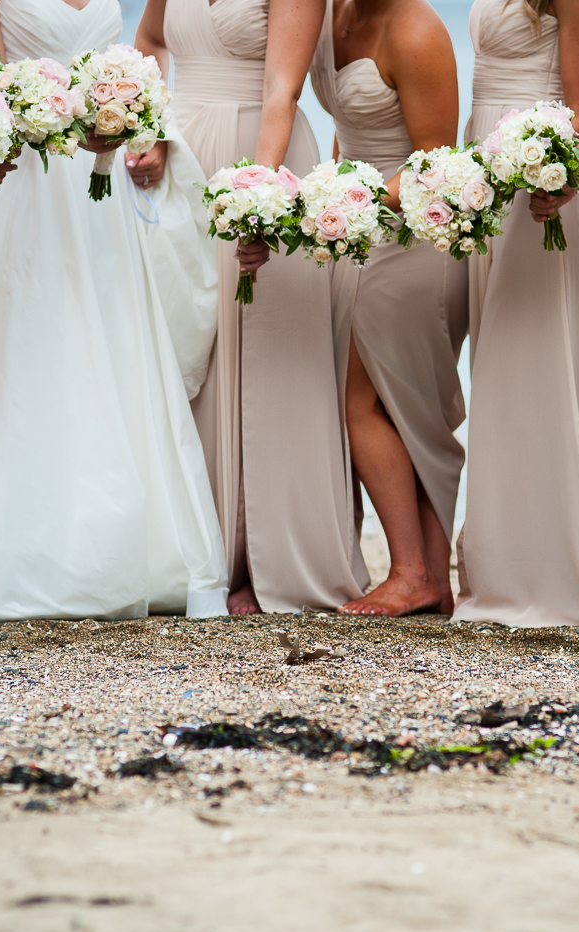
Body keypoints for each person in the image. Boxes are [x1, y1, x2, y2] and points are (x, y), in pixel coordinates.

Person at [0, 0, 229, 623]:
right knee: (30, 347)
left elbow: (134, 63)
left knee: (111, 344)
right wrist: (71, 127)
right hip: (20, 183)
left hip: (100, 189)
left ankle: (122, 545)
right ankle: (22, 553)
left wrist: (144, 129)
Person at [137, 0, 369, 615]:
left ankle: (261, 561)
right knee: (189, 346)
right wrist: (151, 129)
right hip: (181, 161)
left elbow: (281, 91)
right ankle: (196, 550)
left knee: (267, 361)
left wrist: (256, 196)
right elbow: (148, 43)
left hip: (260, 152)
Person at [453, 0, 579, 631]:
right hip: (489, 183)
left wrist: (559, 177)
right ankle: (506, 556)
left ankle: (550, 569)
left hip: (543, 191)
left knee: (535, 368)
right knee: (503, 374)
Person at [308, 0, 467, 617]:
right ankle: (431, 578)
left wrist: (347, 203)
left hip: (415, 235)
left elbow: (435, 160)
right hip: (356, 229)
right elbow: (349, 129)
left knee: (364, 403)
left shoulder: (417, 29)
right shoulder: (332, 17)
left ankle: (409, 573)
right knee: (396, 408)